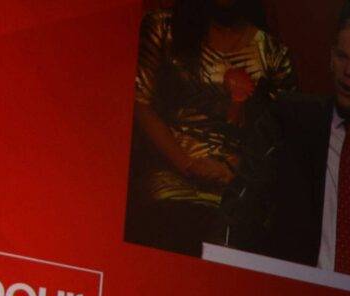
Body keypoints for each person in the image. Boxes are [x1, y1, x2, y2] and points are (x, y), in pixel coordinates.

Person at [223, 18, 350, 290]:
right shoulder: (290, 120)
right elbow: (243, 201)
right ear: (331, 59)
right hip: (287, 294)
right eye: (342, 57)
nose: (348, 72)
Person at [126, 0, 296, 256]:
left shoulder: (273, 53)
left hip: (235, 182)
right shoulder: (163, 27)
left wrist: (234, 169)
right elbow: (139, 103)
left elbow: (283, 137)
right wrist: (186, 164)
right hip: (170, 173)